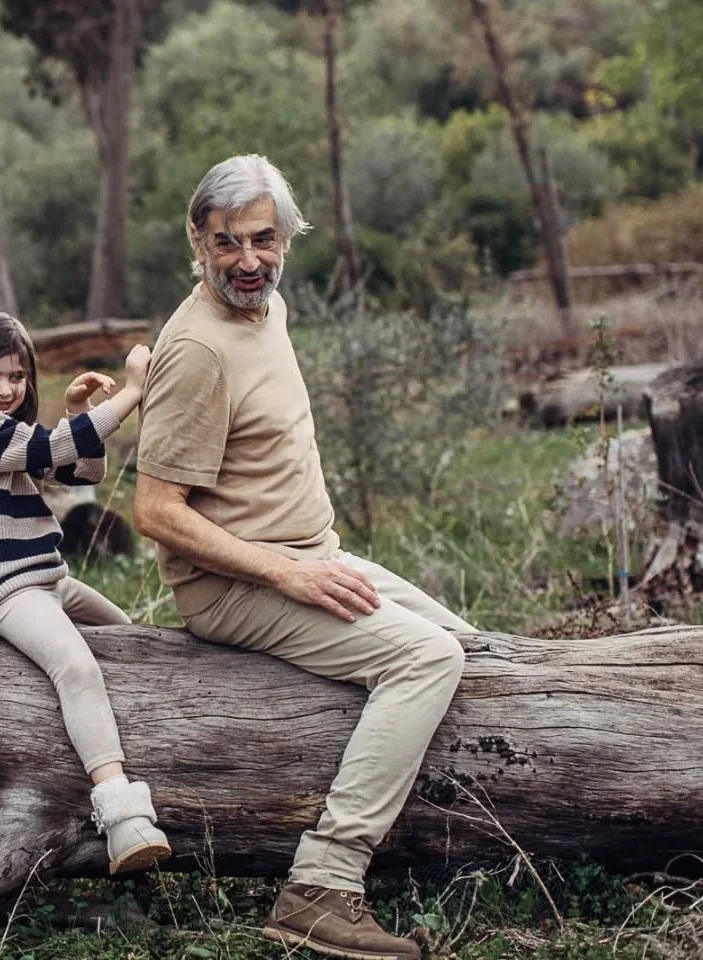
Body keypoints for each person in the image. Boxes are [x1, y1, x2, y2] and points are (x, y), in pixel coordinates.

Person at [132, 154, 470, 960]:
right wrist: (286, 572)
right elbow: (154, 510)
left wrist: (308, 559)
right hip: (235, 587)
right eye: (226, 244)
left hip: (311, 552)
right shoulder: (201, 349)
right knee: (425, 660)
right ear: (197, 240)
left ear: (285, 237)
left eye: (262, 239)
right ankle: (322, 883)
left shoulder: (266, 309)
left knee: (470, 642)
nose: (247, 261)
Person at [0, 311, 171, 873]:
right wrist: (132, 391)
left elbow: (81, 473)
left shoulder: (8, 436)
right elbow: (53, 449)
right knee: (76, 667)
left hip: (49, 578)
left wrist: (78, 413)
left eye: (16, 378)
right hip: (5, 589)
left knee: (130, 638)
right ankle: (121, 812)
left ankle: (147, 744)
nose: (5, 390)